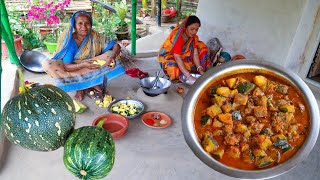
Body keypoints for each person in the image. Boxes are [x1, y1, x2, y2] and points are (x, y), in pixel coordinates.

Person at [42, 11, 123, 101]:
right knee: (48, 65)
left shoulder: (95, 36)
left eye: (87, 23)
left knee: (110, 55)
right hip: (73, 69)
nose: (84, 27)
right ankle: (81, 87)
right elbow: (67, 66)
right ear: (74, 25)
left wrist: (112, 56)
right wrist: (83, 64)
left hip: (91, 65)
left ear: (91, 25)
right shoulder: (70, 41)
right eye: (80, 23)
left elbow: (116, 45)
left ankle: (90, 83)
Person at [158, 15, 216, 85]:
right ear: (185, 27)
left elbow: (195, 54)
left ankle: (204, 71)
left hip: (184, 57)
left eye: (196, 29)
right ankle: (183, 76)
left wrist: (200, 68)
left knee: (202, 48)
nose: (194, 32)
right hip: (170, 56)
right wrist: (189, 77)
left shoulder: (193, 37)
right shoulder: (178, 37)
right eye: (192, 29)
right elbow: (177, 57)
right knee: (173, 69)